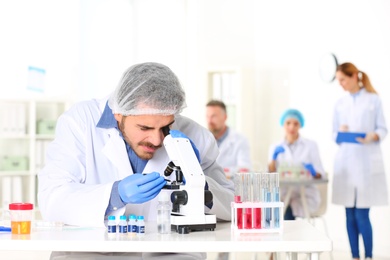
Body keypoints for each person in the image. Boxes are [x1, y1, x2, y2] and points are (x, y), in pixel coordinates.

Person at [38, 62, 234, 260]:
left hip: (171, 254)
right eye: (145, 128)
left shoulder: (196, 136)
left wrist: (198, 183)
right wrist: (115, 194)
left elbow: (231, 204)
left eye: (165, 127)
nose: (157, 140)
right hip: (88, 252)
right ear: (118, 113)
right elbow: (52, 199)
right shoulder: (80, 123)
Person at [332, 62, 388, 260]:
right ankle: (354, 256)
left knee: (362, 215)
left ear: (354, 76)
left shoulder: (373, 100)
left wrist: (372, 135)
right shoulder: (340, 104)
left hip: (365, 164)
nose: (341, 84)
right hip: (346, 164)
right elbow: (334, 134)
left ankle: (369, 256)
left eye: (343, 80)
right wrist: (342, 133)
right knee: (349, 215)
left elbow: (383, 129)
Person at [268, 109, 324, 220]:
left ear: (300, 125)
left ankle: (292, 236)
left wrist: (313, 172)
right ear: (283, 124)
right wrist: (273, 159)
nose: (292, 127)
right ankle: (290, 235)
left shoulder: (311, 145)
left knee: (289, 209)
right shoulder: (275, 146)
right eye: (288, 123)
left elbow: (320, 174)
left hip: (305, 193)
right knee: (283, 207)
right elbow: (270, 174)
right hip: (283, 193)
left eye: (295, 124)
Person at [206, 100, 252, 178]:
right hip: (207, 188)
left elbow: (245, 170)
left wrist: (222, 173)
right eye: (207, 116)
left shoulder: (240, 140)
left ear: (225, 117)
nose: (210, 121)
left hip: (231, 188)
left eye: (214, 116)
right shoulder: (204, 139)